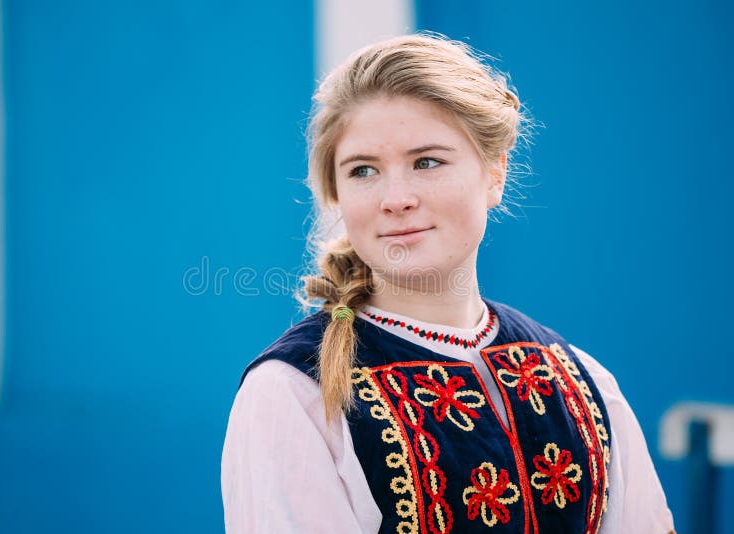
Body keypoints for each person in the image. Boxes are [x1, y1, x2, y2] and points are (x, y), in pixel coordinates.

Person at [221, 32, 675, 533]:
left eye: (427, 162)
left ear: (494, 174)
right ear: (338, 194)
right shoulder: (294, 393)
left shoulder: (583, 382)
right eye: (364, 170)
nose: (395, 198)